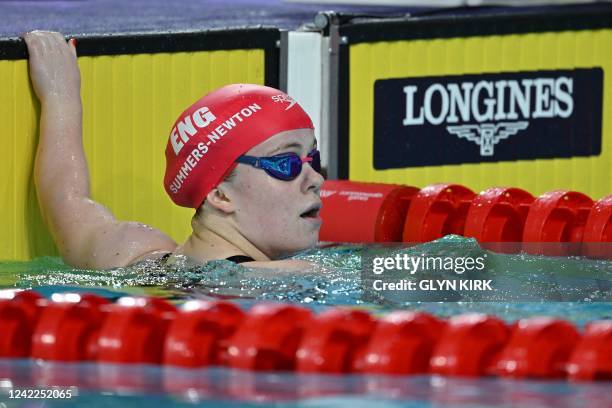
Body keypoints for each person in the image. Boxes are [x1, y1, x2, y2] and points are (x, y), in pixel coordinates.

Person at [24, 31, 324, 271]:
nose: (316, 179)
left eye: (313, 159)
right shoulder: (289, 279)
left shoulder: (130, 253)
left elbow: (66, 200)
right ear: (220, 196)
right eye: (286, 164)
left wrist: (59, 94)